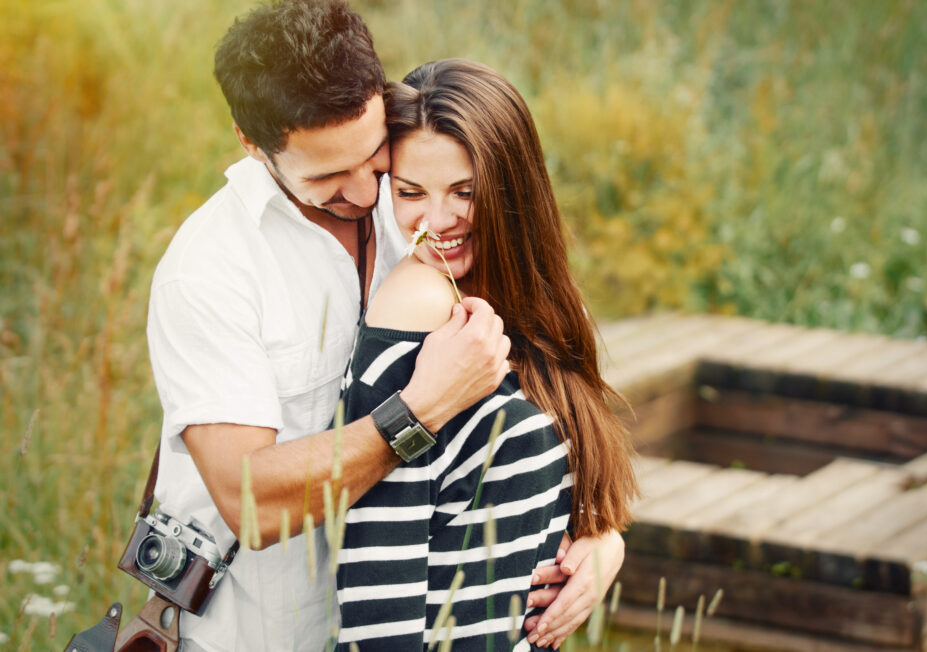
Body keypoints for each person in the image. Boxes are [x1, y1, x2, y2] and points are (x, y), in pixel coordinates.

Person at [145, 1, 625, 651]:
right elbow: (248, 501)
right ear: (251, 143)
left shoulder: (421, 193)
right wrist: (419, 409)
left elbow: (542, 396)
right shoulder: (211, 269)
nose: (367, 195)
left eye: (372, 161)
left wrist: (600, 537)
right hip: (264, 633)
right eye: (327, 177)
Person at [336, 59, 639, 650]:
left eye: (464, 192)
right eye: (410, 193)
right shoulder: (420, 307)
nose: (436, 222)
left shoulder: (527, 300)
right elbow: (377, 565)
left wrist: (605, 541)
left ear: (512, 190)